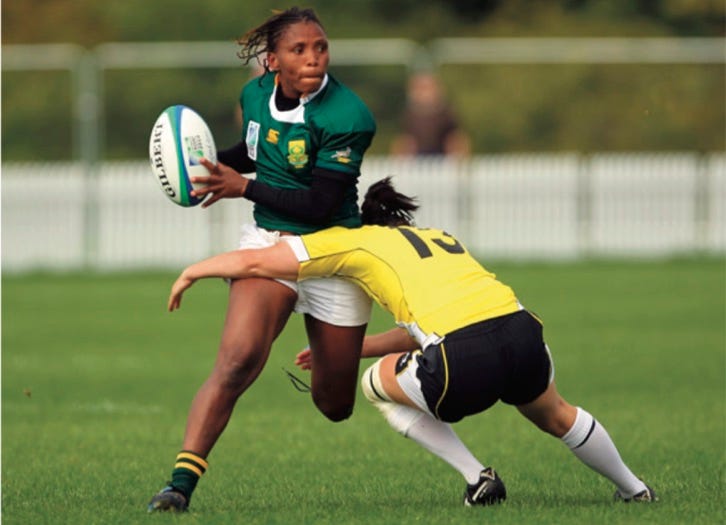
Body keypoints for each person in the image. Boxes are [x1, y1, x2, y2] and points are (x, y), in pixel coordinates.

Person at [165, 178, 658, 507]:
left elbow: (255, 263)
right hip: (522, 330)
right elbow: (431, 319)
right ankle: (635, 491)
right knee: (555, 413)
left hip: (463, 357)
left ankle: (477, 476)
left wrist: (194, 269)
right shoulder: (439, 236)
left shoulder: (353, 241)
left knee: (375, 386)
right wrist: (355, 345)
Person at [148, 7, 377, 512]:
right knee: (237, 360)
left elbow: (318, 205)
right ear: (272, 61)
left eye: (321, 47)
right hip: (270, 245)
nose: (314, 58)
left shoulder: (348, 116)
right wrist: (202, 168)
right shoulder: (253, 97)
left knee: (334, 404)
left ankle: (340, 357)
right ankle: (177, 487)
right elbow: (255, 152)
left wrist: (242, 187)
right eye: (299, 50)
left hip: (333, 251)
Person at [390, 70, 471, 157]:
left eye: (426, 88)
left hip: (444, 156)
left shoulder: (447, 112)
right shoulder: (409, 114)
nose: (423, 93)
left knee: (456, 141)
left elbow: (456, 136)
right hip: (416, 157)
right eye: (420, 88)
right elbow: (404, 139)